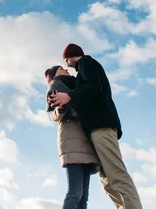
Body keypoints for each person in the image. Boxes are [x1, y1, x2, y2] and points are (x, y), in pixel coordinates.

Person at [48, 43, 143, 209]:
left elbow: (94, 86)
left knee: (116, 174)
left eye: (66, 62)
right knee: (107, 180)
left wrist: (69, 96)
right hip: (95, 130)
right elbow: (54, 111)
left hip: (102, 126)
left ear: (69, 57)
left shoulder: (86, 62)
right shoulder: (66, 81)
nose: (68, 67)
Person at [45, 65, 101, 209]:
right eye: (62, 69)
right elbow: (53, 114)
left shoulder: (76, 87)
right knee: (75, 193)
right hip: (72, 142)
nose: (67, 70)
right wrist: (61, 108)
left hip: (86, 142)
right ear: (56, 74)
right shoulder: (56, 85)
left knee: (83, 198)